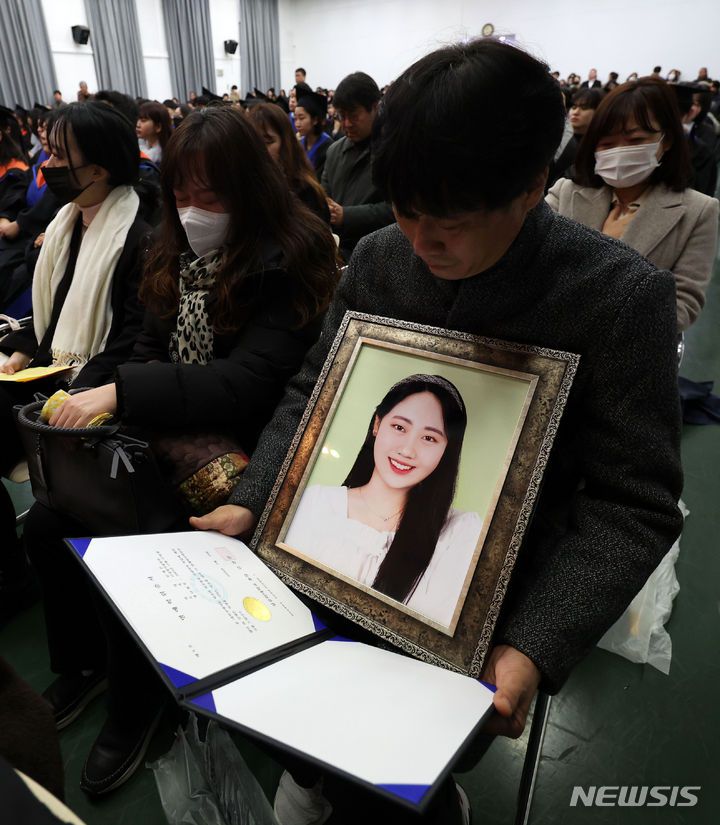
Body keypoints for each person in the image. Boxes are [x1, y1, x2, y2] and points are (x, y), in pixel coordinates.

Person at [193, 38, 683, 824]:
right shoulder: (383, 260)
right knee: (296, 719)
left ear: (531, 187)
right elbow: (310, 397)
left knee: (394, 780)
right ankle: (310, 777)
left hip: (481, 605)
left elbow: (635, 502)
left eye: (449, 221)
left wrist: (534, 642)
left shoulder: (617, 297)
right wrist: (255, 499)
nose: (423, 241)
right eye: (407, 211)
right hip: (325, 565)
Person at [22, 104, 339, 797]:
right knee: (47, 520)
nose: (195, 209)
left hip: (253, 450)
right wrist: (116, 401)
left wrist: (121, 394)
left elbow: (249, 387)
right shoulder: (168, 249)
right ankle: (84, 664)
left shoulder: (295, 253)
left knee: (125, 533)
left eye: (213, 194)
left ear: (250, 189)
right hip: (162, 432)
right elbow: (144, 344)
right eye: (183, 194)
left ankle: (139, 704)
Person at [0, 101, 149, 621]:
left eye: (61, 156)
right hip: (55, 372)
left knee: (47, 523)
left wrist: (74, 383)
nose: (49, 165)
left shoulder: (136, 231)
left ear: (99, 169)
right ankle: (12, 580)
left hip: (94, 385)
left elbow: (133, 336)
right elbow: (54, 317)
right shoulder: (67, 223)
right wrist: (21, 351)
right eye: (48, 150)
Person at [285, 375, 482, 628]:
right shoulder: (316, 502)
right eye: (399, 427)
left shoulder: (460, 533)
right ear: (377, 424)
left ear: (447, 449)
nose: (407, 450)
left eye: (429, 438)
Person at [547, 77, 719, 331]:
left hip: (626, 348)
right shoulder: (566, 191)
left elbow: (683, 303)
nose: (619, 151)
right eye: (607, 143)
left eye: (636, 140)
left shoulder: (698, 211)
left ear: (666, 140)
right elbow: (533, 264)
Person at [320, 72, 394, 260]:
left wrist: (346, 215)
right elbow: (325, 193)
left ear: (375, 108)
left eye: (353, 116)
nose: (346, 124)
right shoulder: (334, 151)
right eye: (341, 116)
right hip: (337, 251)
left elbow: (398, 211)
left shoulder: (393, 149)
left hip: (380, 255)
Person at [246, 102, 330, 220]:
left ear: (285, 142)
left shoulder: (305, 191)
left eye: (268, 142)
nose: (260, 150)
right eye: (254, 142)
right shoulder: (247, 185)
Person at [547, 88, 604, 187]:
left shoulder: (599, 146)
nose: (576, 112)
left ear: (598, 111)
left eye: (584, 108)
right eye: (574, 107)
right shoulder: (566, 136)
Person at [295, 91, 332, 179]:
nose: (297, 124)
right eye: (295, 118)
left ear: (315, 120)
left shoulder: (328, 148)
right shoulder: (300, 144)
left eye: (301, 118)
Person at [136, 100, 172, 165]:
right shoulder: (140, 145)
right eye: (138, 120)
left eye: (143, 120)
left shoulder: (165, 156)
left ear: (158, 127)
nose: (138, 125)